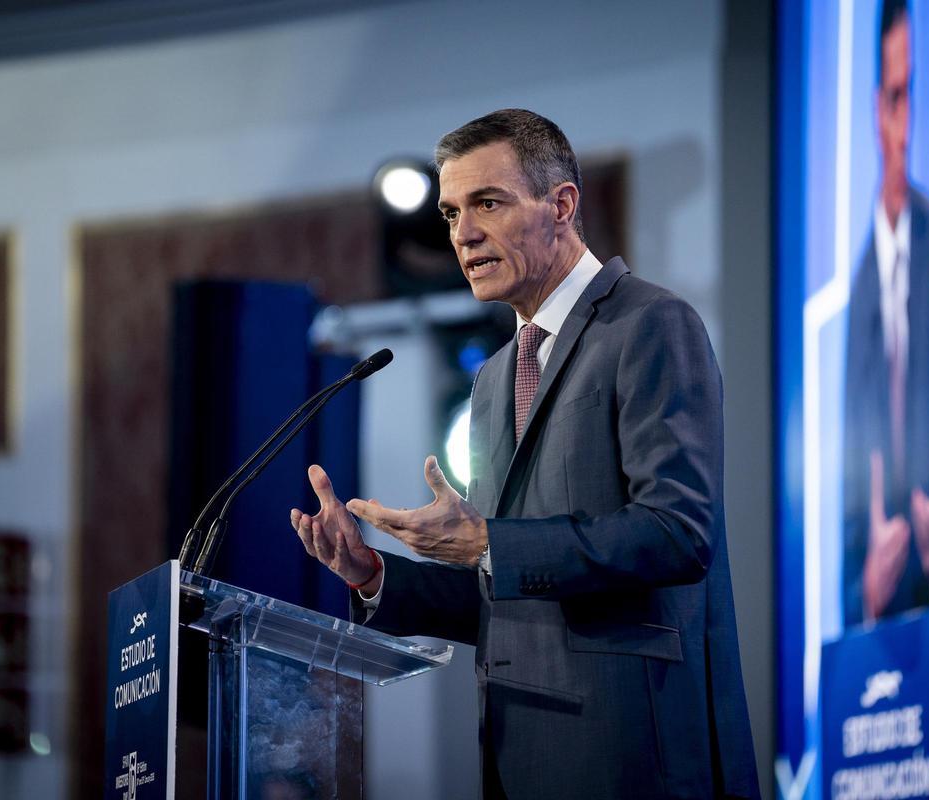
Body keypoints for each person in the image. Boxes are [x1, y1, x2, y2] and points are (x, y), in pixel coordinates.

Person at [290, 109, 759, 798]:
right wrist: (372, 575)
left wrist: (490, 540)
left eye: (488, 203)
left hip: (633, 756)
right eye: (451, 213)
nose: (463, 234)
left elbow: (678, 534)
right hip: (518, 758)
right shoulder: (493, 381)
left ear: (562, 205)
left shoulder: (649, 326)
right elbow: (506, 591)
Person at [842, 0, 929, 628]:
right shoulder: (857, 285)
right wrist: (867, 592)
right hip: (878, 617)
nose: (906, 127)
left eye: (913, 96)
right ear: (874, 111)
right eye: (894, 99)